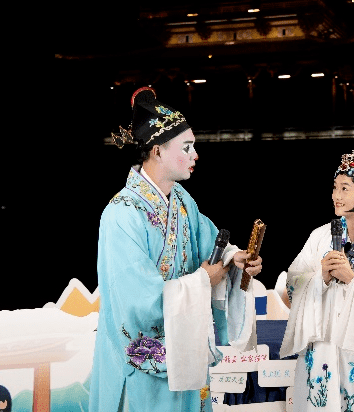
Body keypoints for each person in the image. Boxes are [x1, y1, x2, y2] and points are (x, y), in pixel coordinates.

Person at [89, 87, 263, 412]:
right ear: (157, 151)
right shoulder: (121, 214)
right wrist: (203, 281)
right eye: (187, 147)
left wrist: (235, 259)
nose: (196, 155)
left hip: (185, 353)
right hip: (141, 370)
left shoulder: (182, 201)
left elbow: (210, 246)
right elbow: (137, 301)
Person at [280, 150, 354, 412]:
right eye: (335, 187)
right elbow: (291, 286)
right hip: (321, 354)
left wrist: (353, 281)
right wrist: (319, 279)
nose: (336, 195)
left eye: (345, 188)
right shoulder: (320, 236)